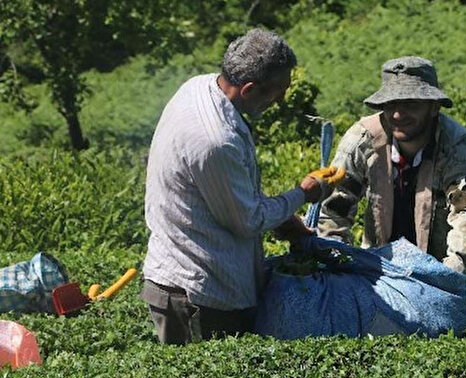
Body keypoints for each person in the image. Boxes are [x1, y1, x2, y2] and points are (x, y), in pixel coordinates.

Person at [141, 28, 341, 344]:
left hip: (200, 285)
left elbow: (228, 195)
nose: (282, 100)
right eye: (279, 91)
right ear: (248, 90)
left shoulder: (199, 87)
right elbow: (247, 221)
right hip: (197, 296)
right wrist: (302, 194)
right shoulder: (215, 140)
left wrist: (283, 219)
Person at [318, 56, 466, 321]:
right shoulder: (362, 140)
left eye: (410, 104)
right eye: (391, 105)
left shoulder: (458, 148)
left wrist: (447, 279)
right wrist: (336, 268)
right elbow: (334, 210)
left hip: (448, 276)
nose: (398, 115)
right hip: (382, 275)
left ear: (434, 107)